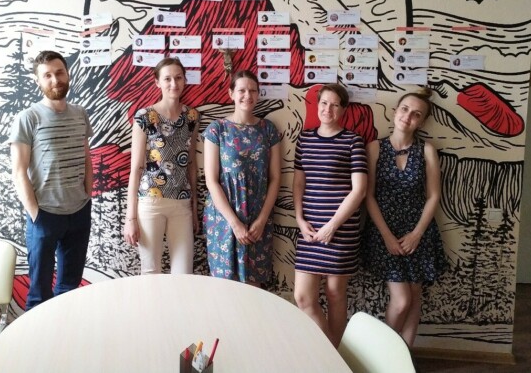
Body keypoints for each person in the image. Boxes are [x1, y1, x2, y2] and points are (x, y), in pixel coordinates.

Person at [362, 88, 448, 346]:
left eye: (416, 114)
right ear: (395, 111)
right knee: (402, 301)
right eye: (405, 109)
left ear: (421, 121)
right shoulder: (375, 148)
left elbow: (433, 196)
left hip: (418, 231)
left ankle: (406, 358)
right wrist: (387, 236)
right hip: (384, 231)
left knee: (414, 296)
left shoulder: (427, 150)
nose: (408, 116)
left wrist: (417, 234)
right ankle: (382, 356)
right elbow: (368, 196)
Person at [10, 50, 93, 310]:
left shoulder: (80, 113)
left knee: (70, 289)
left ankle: (64, 333)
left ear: (68, 74)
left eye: (59, 73)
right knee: (39, 293)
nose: (55, 80)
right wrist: (36, 214)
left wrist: (87, 195)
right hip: (45, 215)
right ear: (38, 80)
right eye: (47, 75)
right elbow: (19, 171)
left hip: (79, 212)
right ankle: (36, 337)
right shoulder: (28, 118)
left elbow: (86, 157)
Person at [293, 84, 367, 347]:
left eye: (335, 105)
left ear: (343, 109)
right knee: (303, 298)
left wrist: (333, 225)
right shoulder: (305, 139)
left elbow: (359, 190)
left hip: (341, 229)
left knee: (335, 294)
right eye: (324, 103)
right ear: (318, 105)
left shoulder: (353, 141)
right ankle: (329, 351)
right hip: (309, 228)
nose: (328, 109)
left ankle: (336, 354)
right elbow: (298, 183)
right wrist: (299, 219)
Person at [203, 70, 282, 286]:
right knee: (224, 286)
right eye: (242, 90)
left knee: (254, 286)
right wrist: (234, 223)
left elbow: (275, 178)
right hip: (224, 218)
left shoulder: (268, 129)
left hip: (258, 217)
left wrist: (262, 220)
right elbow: (211, 181)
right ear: (231, 93)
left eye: (253, 91)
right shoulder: (217, 130)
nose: (248, 95)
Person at [124, 57, 199, 274]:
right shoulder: (145, 117)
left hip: (182, 204)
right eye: (167, 79)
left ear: (184, 80)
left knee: (183, 274)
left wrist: (194, 208)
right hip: (150, 202)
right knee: (150, 272)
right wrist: (131, 218)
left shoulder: (192, 116)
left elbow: (191, 163)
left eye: (178, 78)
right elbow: (136, 169)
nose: (173, 84)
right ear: (157, 82)